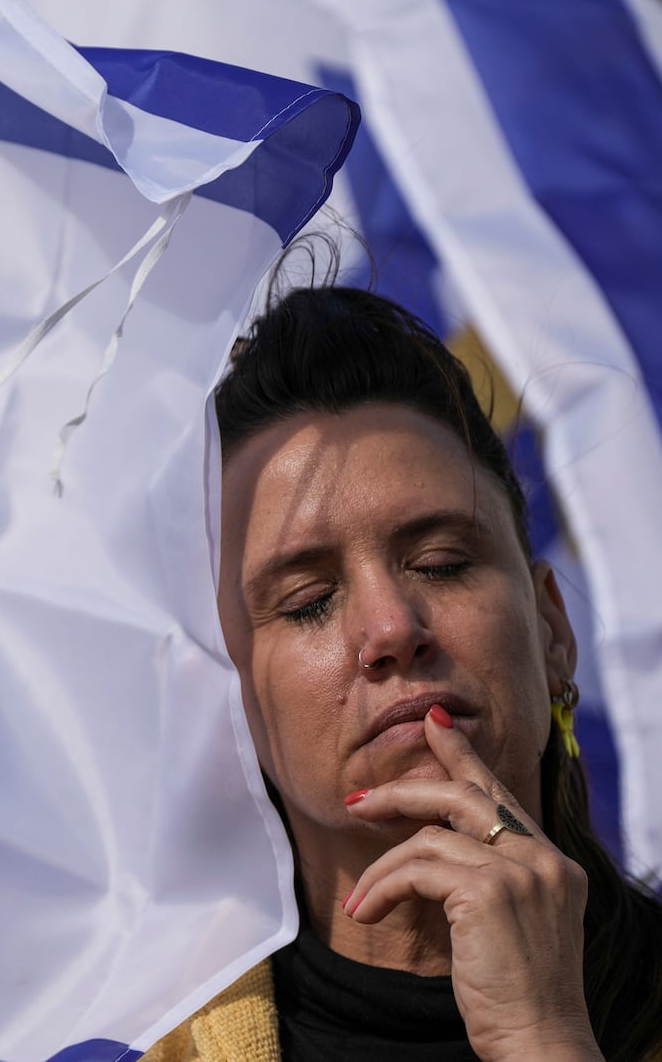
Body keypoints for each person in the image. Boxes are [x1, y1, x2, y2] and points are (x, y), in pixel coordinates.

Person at [143, 284, 662, 1061]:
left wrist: (543, 1037)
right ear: (226, 700)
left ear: (552, 629)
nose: (391, 628)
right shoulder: (125, 1039)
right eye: (309, 600)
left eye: (442, 563)